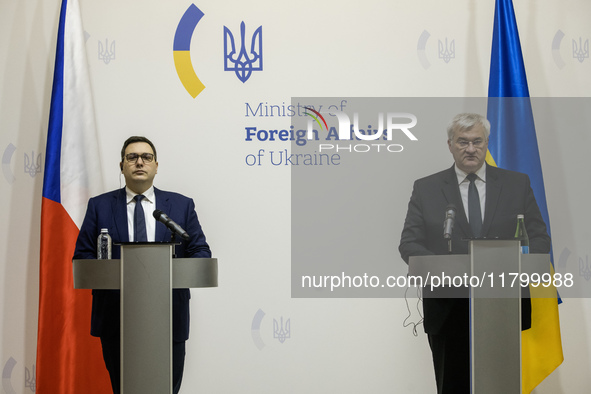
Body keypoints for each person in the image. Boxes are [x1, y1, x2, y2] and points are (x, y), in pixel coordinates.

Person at [399, 113, 550, 394]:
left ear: (486, 143)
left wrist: (512, 263)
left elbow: (540, 238)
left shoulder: (517, 184)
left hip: (503, 305)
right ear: (450, 145)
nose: (471, 149)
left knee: (501, 386)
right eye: (463, 142)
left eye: (477, 141)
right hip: (447, 308)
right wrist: (448, 268)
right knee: (452, 386)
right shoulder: (427, 188)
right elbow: (409, 244)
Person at [73, 136, 211, 394]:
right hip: (116, 317)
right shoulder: (100, 206)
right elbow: (82, 258)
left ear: (156, 166)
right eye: (132, 157)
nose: (139, 162)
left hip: (168, 317)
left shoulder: (181, 206)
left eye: (146, 157)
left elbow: (201, 251)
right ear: (122, 166)